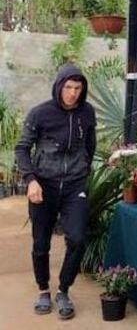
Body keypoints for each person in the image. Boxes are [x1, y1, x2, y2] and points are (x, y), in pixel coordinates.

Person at [14, 64, 96, 320]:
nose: (72, 93)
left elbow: (90, 144)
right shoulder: (40, 114)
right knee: (41, 243)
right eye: (68, 87)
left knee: (78, 238)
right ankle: (43, 290)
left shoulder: (87, 113)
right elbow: (21, 148)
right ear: (59, 86)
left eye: (78, 88)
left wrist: (82, 171)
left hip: (74, 186)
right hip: (44, 186)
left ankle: (63, 290)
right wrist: (31, 180)